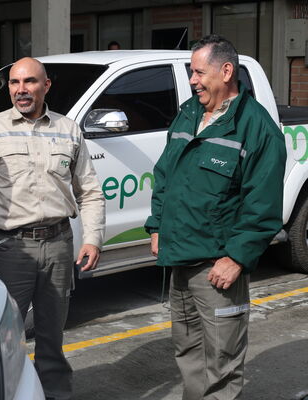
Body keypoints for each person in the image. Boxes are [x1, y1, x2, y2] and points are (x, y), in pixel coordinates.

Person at [145, 34, 285, 399]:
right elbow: (164, 175)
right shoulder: (189, 113)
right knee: (189, 352)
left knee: (221, 362)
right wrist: (158, 224)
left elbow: (263, 203)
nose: (192, 80)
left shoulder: (257, 128)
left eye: (198, 72)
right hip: (179, 260)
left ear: (226, 71)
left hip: (216, 268)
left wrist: (237, 257)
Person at [0, 57, 105, 400]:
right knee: (5, 339)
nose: (21, 90)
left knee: (52, 338)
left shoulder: (68, 129)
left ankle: (54, 394)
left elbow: (90, 192)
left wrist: (94, 238)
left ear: (46, 85)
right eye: (14, 83)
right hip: (10, 251)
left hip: (58, 246)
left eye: (30, 82)